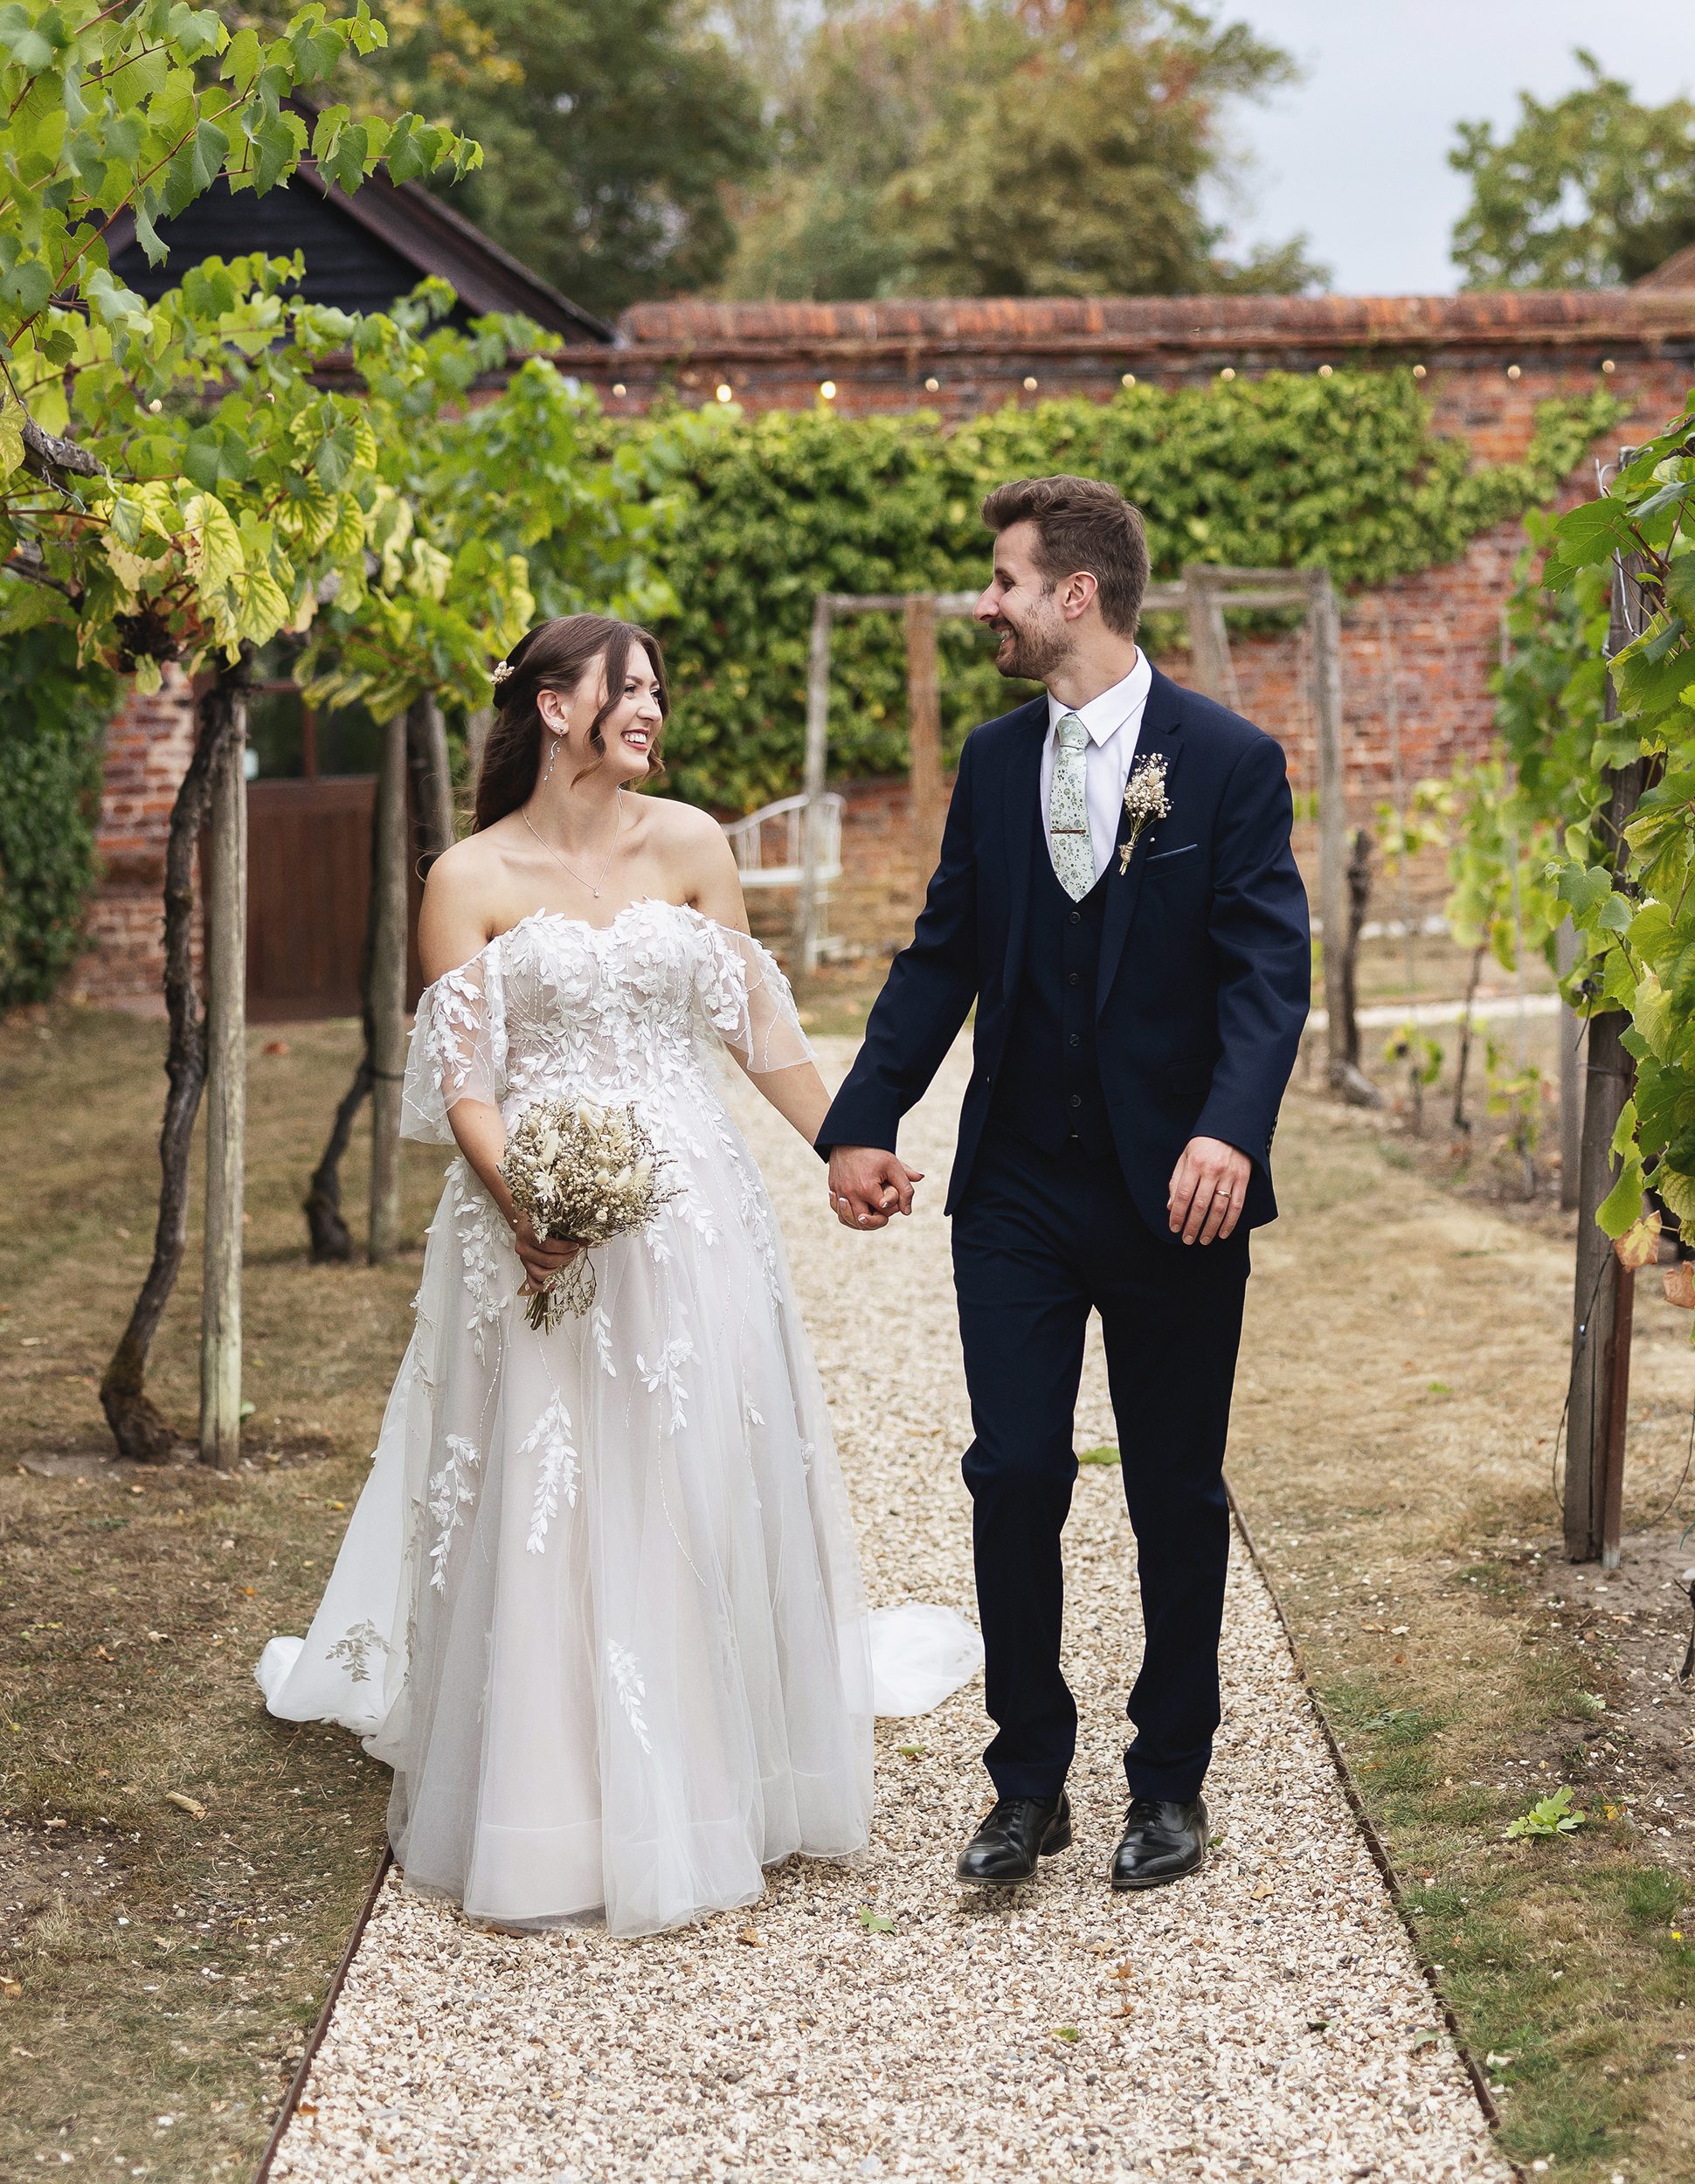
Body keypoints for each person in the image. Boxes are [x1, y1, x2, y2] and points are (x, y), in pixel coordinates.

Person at [259, 614, 895, 1938]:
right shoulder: (468, 876)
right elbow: (466, 1086)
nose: (651, 708)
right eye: (628, 688)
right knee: (553, 1491)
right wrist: (530, 1207)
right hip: (536, 1218)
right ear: (556, 707)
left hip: (699, 1216)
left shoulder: (694, 844)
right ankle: (554, 1795)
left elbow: (758, 1031)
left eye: (658, 688)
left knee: (693, 1471)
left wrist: (844, 1146)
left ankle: (714, 1770)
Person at [820, 476, 1311, 1892]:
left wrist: (1230, 1131)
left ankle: (1170, 1781)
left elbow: (1268, 969)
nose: (986, 603)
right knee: (1016, 1471)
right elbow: (942, 955)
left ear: (1075, 594)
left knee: (1174, 1489)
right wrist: (862, 1118)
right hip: (1019, 1190)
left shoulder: (1227, 761)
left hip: (1178, 1194)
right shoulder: (992, 763)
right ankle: (1027, 1778)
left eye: (1005, 581)